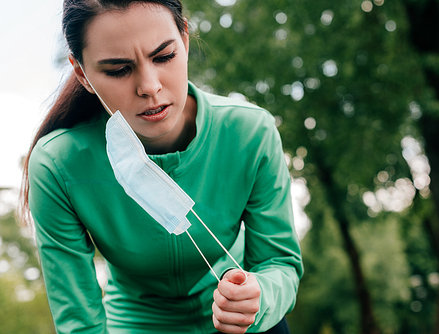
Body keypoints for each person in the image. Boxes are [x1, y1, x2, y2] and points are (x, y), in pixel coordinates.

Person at [20, 0, 303, 333]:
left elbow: (279, 262)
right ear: (82, 73)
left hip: (248, 322)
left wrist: (260, 296)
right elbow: (80, 322)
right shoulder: (57, 165)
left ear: (184, 39)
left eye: (163, 56)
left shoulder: (250, 133)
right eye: (118, 69)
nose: (149, 87)